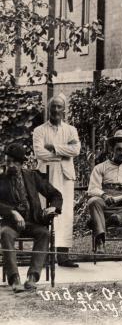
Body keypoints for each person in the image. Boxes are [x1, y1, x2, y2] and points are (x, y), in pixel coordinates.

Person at [0, 143, 62, 292]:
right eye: (8, 162)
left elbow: (55, 194)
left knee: (44, 233)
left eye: (14, 162)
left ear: (21, 163)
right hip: (10, 224)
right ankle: (14, 279)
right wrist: (13, 212)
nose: (10, 166)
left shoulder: (32, 176)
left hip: (32, 221)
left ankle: (32, 277)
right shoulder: (1, 179)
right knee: (5, 234)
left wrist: (53, 207)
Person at [32, 93, 81, 267]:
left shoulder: (70, 130)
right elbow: (39, 153)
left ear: (64, 109)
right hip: (46, 175)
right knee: (47, 210)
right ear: (49, 109)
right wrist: (62, 154)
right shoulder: (39, 130)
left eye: (59, 106)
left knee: (65, 213)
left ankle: (63, 256)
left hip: (66, 176)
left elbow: (76, 150)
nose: (55, 110)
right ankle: (45, 255)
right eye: (53, 106)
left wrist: (54, 147)